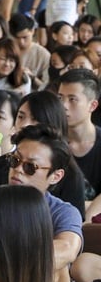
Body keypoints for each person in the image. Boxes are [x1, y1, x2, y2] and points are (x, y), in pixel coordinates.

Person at [0, 125, 83, 282]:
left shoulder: (62, 212)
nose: (18, 170)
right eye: (15, 160)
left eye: (30, 167)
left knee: (57, 267)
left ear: (56, 176)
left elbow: (66, 249)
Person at [56, 68, 101, 201]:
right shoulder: (51, 142)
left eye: (72, 99)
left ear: (92, 106)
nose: (63, 105)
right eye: (60, 98)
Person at [9, 13, 49, 86]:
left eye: (25, 37)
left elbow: (47, 86)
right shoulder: (6, 49)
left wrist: (32, 78)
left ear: (33, 31)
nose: (21, 42)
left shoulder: (43, 54)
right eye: (17, 38)